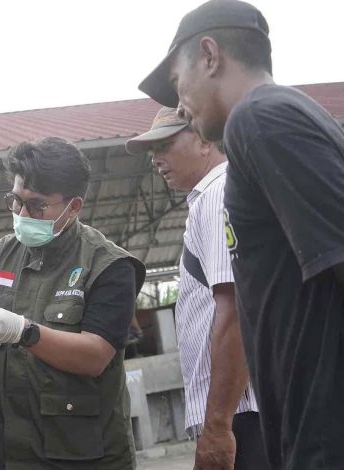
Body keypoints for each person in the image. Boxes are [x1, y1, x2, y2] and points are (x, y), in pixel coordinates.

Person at [139, 1, 344, 468]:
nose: (180, 104)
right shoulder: (278, 117)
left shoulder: (261, 118)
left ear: (210, 55)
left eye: (176, 83)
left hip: (325, 427)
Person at [0, 136, 145, 470]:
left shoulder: (109, 265)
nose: (22, 214)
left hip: (86, 458)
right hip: (14, 455)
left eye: (37, 205)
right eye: (16, 201)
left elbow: (96, 356)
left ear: (74, 206)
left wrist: (22, 332)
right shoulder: (0, 253)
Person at [126, 106, 268, 469]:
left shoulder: (218, 195)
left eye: (166, 145)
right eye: (151, 153)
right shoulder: (220, 193)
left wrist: (218, 425)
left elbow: (235, 309)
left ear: (205, 139)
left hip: (244, 412)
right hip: (242, 409)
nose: (156, 160)